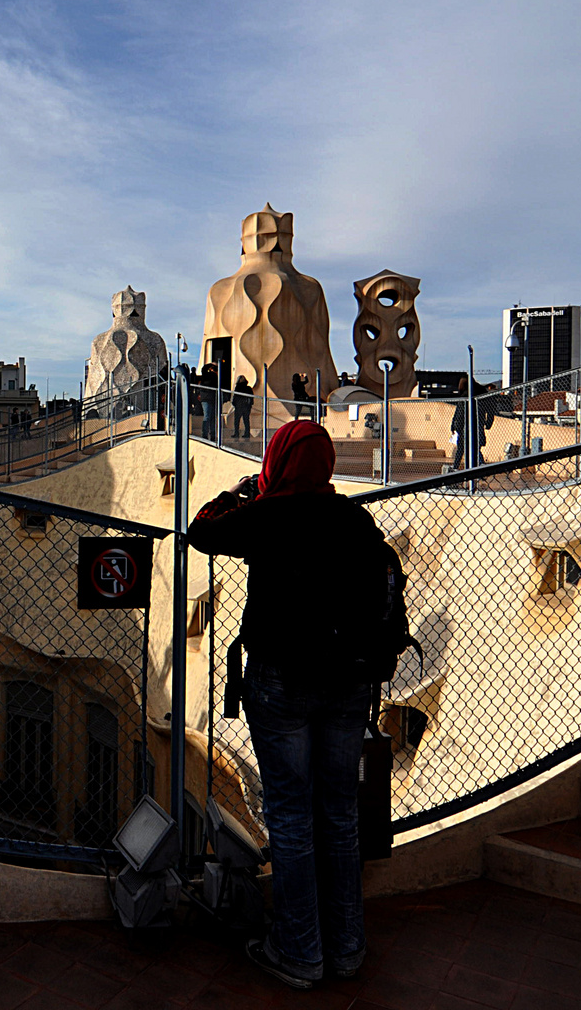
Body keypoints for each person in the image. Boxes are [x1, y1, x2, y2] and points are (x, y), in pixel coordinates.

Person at [187, 421, 384, 989]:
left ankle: (300, 950)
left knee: (292, 820)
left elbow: (201, 529)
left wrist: (245, 489)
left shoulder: (267, 518)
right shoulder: (352, 519)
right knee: (339, 816)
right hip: (348, 684)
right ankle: (346, 947)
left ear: (279, 461)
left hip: (283, 684)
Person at [449, 377, 495, 470]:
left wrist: (455, 426)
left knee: (462, 448)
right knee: (475, 448)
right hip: (477, 425)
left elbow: (459, 413)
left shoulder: (466, 397)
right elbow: (491, 410)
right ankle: (479, 467)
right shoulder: (482, 395)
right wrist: (488, 422)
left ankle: (456, 468)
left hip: (465, 428)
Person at [199, 362, 219, 440]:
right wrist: (211, 364)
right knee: (207, 417)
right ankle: (205, 434)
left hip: (212, 398)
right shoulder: (207, 375)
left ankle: (212, 435)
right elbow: (204, 369)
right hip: (207, 398)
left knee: (212, 417)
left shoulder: (215, 377)